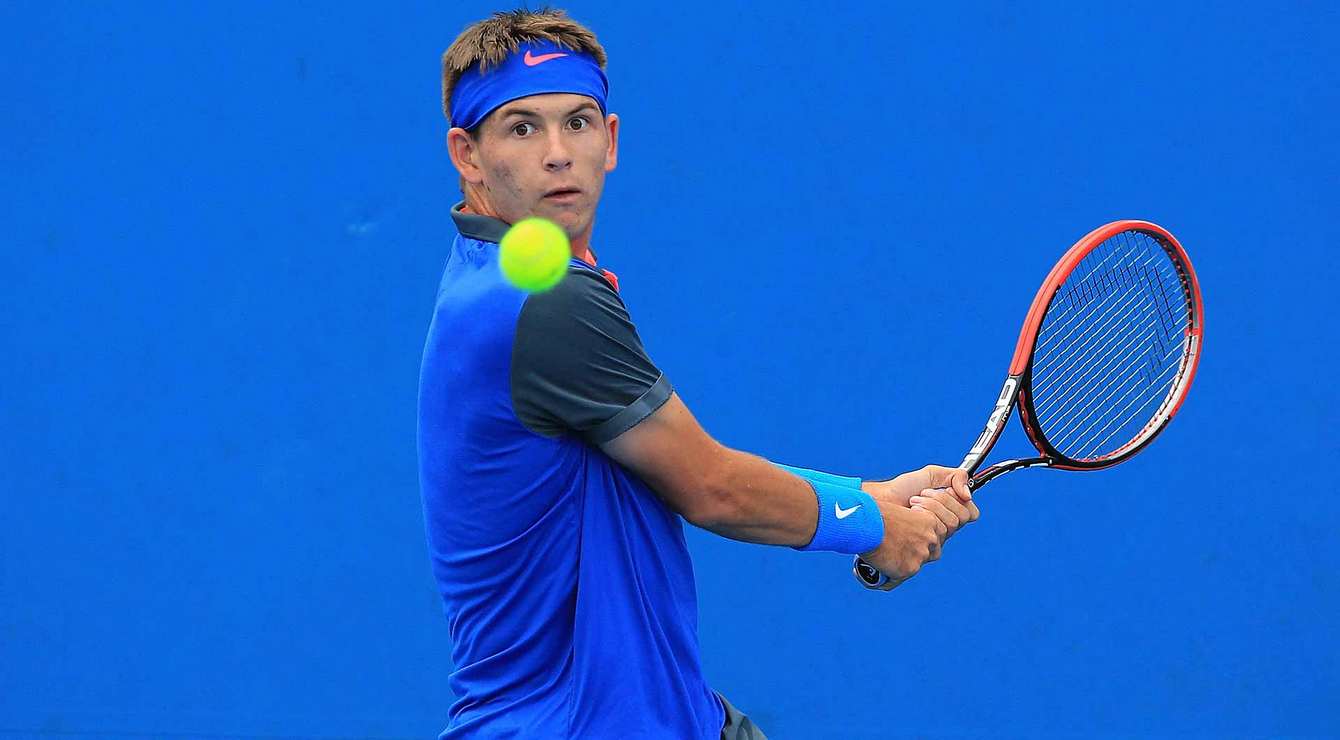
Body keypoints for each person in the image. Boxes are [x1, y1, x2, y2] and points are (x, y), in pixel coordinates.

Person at [417, 9, 981, 739]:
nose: (558, 154)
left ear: (610, 140)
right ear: (467, 154)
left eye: (577, 123)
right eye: (522, 128)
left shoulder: (498, 279)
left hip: (664, 715)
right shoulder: (543, 298)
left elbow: (678, 463)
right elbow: (710, 487)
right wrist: (873, 526)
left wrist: (867, 494)